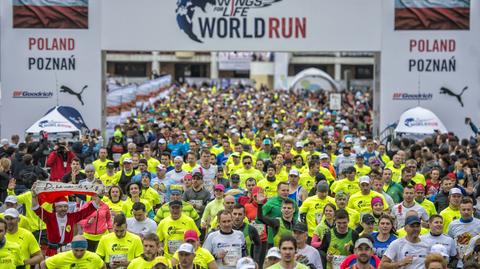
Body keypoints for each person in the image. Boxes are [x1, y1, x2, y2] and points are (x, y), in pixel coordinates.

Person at [31, 183, 103, 256]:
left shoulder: (72, 217)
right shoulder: (49, 217)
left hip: (67, 251)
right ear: (55, 208)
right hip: (52, 251)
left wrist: (100, 196)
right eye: (60, 207)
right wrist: (34, 196)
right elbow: (36, 208)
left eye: (65, 206)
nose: (63, 209)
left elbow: (88, 210)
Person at [262, 182, 299, 246]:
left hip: (289, 233)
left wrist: (294, 223)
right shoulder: (270, 202)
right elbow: (259, 217)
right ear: (277, 191)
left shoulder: (292, 202)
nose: (286, 192)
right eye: (283, 190)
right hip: (273, 234)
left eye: (287, 190)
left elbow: (296, 213)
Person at [447, 197, 480, 267]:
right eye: (464, 209)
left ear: (473, 210)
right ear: (459, 210)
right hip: (457, 262)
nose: (466, 212)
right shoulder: (452, 224)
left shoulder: (479, 223)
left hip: (474, 262)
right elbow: (449, 241)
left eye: (468, 209)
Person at [41, 235, 105, 269]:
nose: (79, 253)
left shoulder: (94, 257)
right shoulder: (62, 257)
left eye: (82, 250)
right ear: (72, 248)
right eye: (76, 250)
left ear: (86, 248)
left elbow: (103, 266)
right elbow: (43, 264)